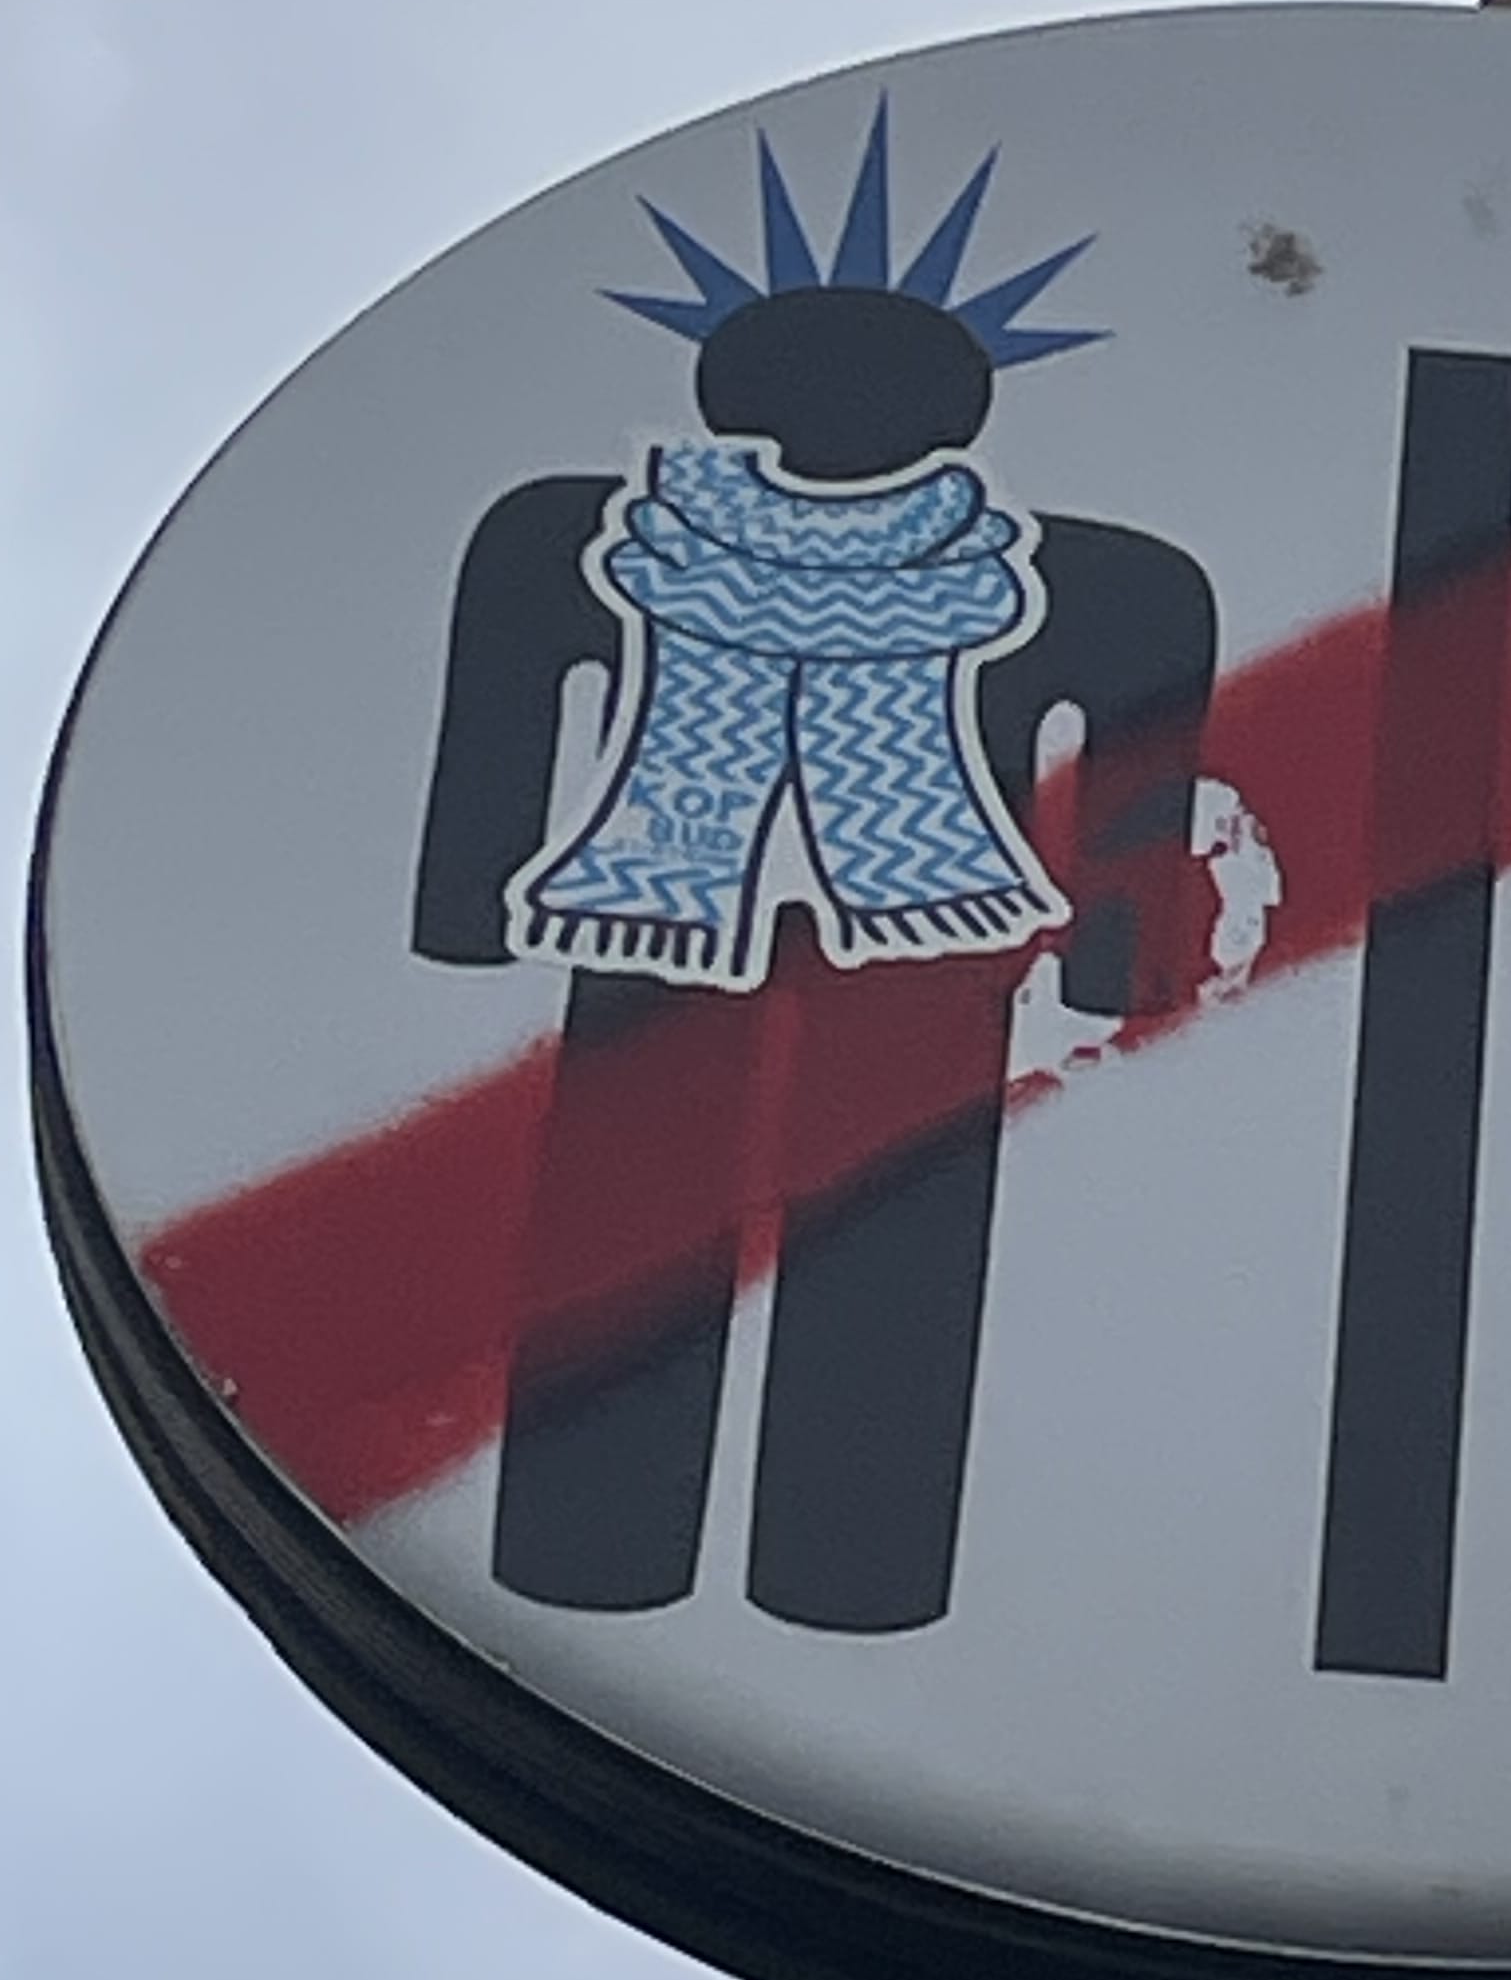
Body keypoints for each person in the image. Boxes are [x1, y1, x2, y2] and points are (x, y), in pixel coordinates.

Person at [412, 113, 1216, 1634]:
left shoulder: (1048, 570)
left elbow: (1147, 709)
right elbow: (504, 695)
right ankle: (614, 1559)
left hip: (876, 971)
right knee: (645, 1264)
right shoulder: (602, 533)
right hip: (680, 956)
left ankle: (840, 1575)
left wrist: (1121, 965)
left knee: (877, 1255)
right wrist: (459, 910)